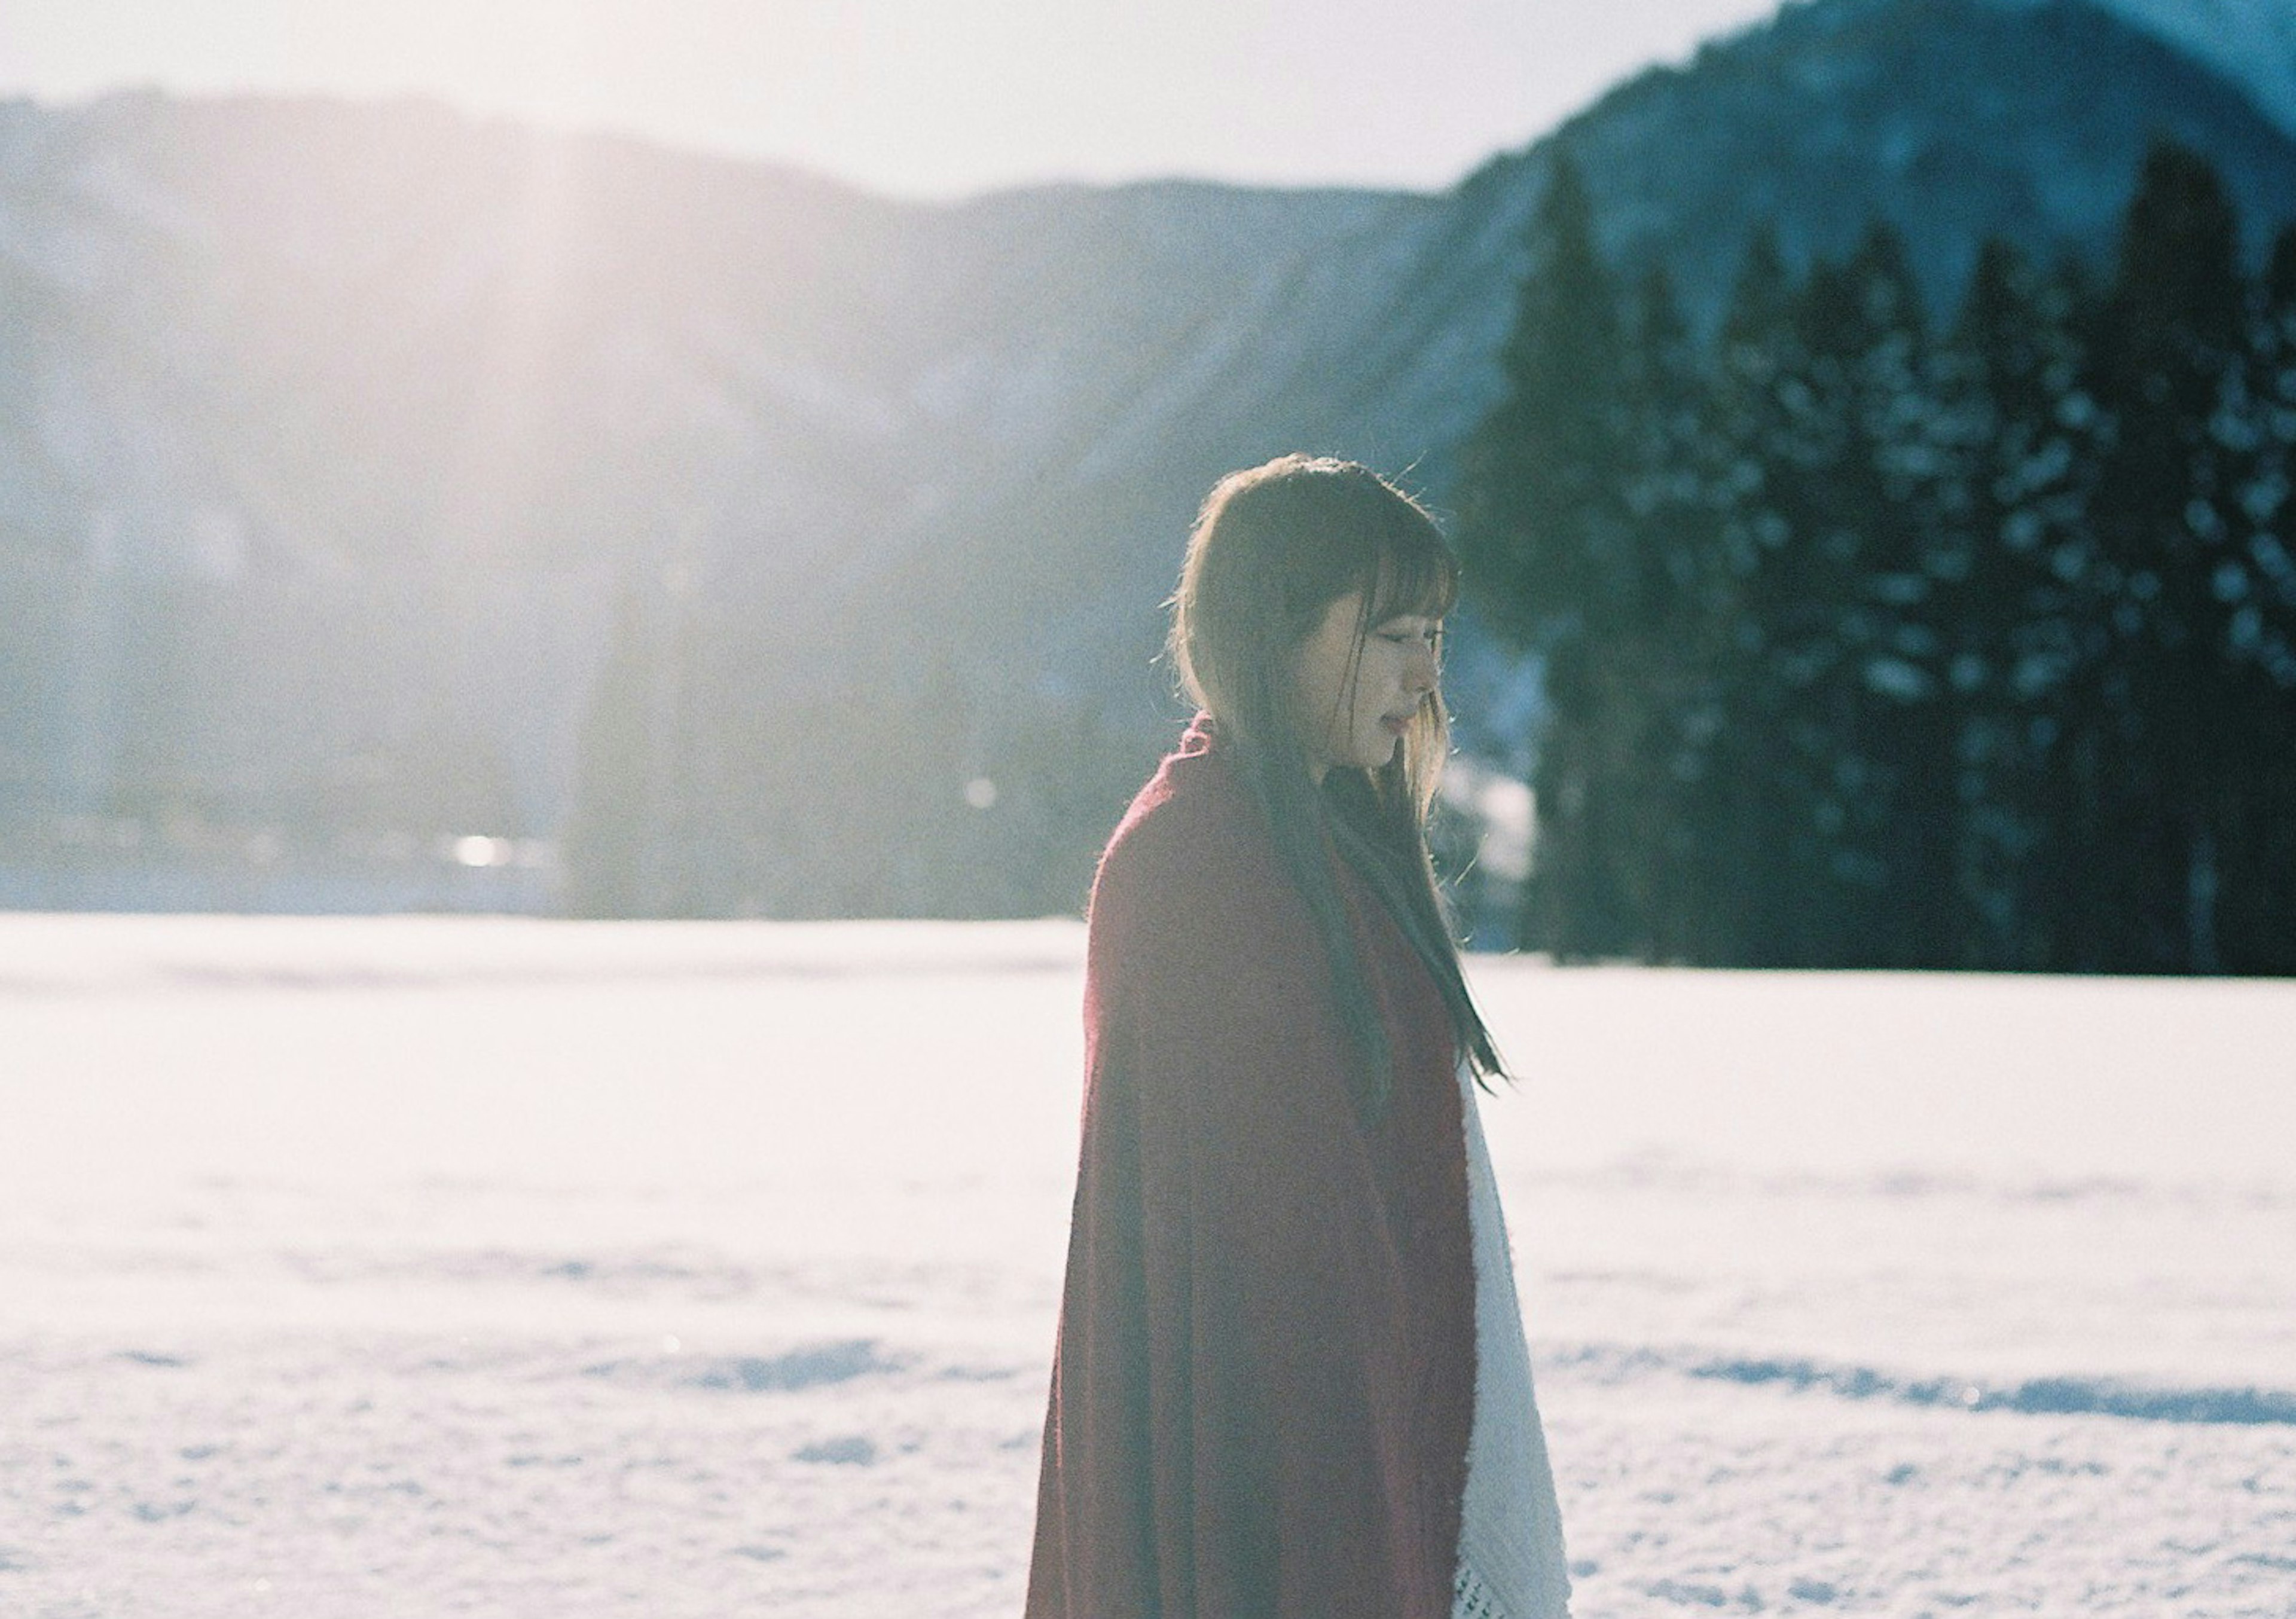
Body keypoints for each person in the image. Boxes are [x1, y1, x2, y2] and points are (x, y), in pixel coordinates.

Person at [1024, 455, 1571, 1618]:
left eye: (1435, 635)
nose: (1427, 676)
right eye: (1392, 635)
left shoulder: (1335, 844)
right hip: (1281, 1500)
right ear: (1279, 629)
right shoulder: (1198, 866)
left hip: (1367, 1454)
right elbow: (1235, 1293)